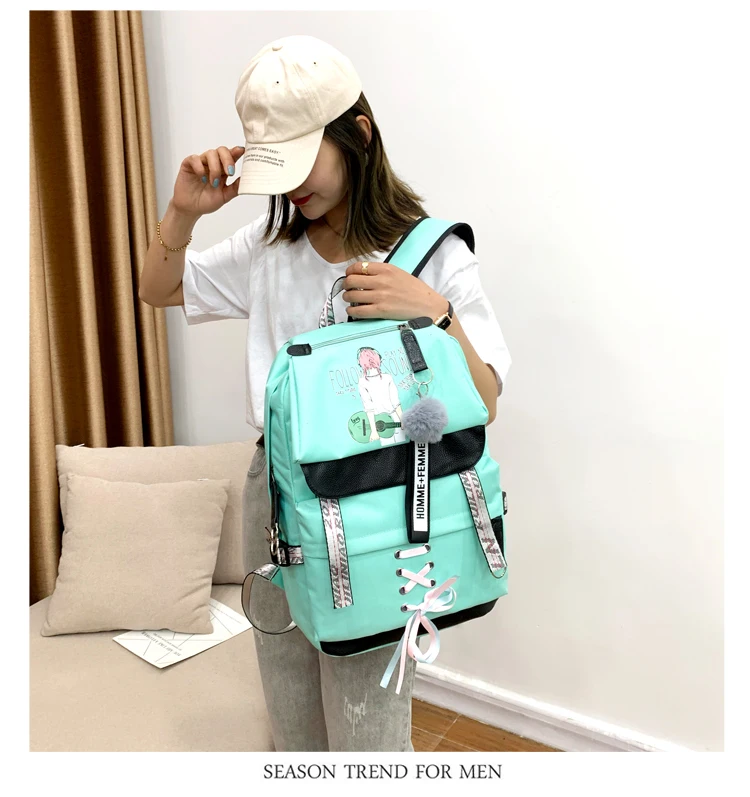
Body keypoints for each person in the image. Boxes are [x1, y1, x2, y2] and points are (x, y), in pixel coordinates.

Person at [139, 34, 512, 753]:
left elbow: (486, 399)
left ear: (358, 135)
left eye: (302, 161)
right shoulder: (268, 247)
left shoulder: (433, 253)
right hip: (274, 487)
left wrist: (433, 313)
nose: (290, 188)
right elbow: (158, 289)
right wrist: (183, 213)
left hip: (375, 494)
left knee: (366, 713)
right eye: (275, 167)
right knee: (286, 692)